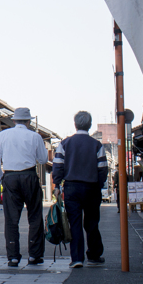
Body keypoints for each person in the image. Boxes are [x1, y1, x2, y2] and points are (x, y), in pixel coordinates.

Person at [0, 107, 48, 267]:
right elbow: (43, 159)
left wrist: (2, 177)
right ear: (29, 121)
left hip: (10, 176)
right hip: (29, 175)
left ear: (14, 121)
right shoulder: (35, 136)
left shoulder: (3, 135)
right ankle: (35, 255)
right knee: (35, 216)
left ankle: (13, 256)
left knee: (11, 218)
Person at [52, 111, 108, 268]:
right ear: (90, 125)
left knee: (74, 223)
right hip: (92, 187)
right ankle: (94, 255)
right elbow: (103, 169)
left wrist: (57, 185)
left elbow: (58, 166)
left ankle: (77, 258)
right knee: (91, 222)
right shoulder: (97, 145)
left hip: (71, 188)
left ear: (75, 124)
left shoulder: (64, 144)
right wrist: (99, 183)